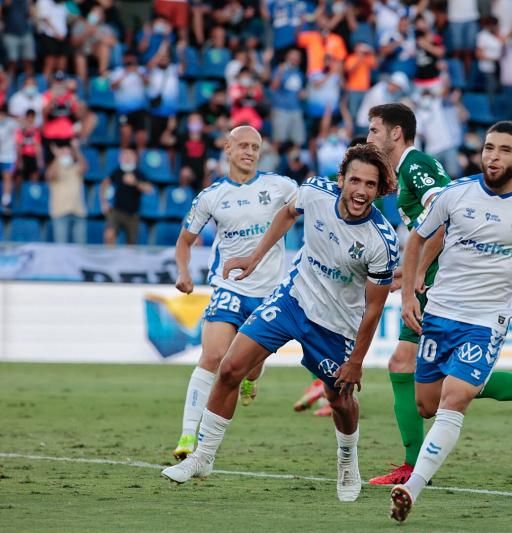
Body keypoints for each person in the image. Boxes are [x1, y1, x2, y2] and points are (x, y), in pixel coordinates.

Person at [365, 104, 512, 488]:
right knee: (431, 393)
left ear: (395, 133)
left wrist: (421, 272)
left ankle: (412, 467)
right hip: (439, 284)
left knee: (403, 366)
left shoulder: (414, 165)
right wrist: (411, 273)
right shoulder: (414, 173)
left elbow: (436, 226)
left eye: (374, 130)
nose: (369, 137)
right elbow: (431, 224)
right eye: (488, 148)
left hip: (452, 284)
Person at [161, 144, 399, 504]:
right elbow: (288, 214)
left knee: (340, 399)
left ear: (379, 189)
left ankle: (348, 460)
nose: (361, 191)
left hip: (336, 325)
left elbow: (373, 309)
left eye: (370, 184)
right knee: (230, 369)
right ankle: (203, 457)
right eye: (355, 181)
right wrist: (255, 259)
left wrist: (356, 362)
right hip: (292, 301)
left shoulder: (381, 240)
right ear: (341, 180)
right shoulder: (316, 192)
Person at [170, 126, 298, 460]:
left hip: (270, 294)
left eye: (255, 147)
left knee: (249, 369)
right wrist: (183, 272)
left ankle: (251, 379)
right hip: (229, 286)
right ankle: (187, 435)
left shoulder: (281, 186)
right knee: (212, 356)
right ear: (227, 149)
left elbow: (313, 209)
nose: (249, 152)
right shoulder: (211, 197)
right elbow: (184, 241)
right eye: (242, 145)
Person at [100, 148, 152, 245]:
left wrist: (135, 183)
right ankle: (111, 258)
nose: (127, 158)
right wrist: (104, 203)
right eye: (125, 156)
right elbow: (104, 184)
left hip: (133, 214)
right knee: (109, 235)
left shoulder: (139, 173)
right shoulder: (117, 171)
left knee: (131, 245)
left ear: (135, 158)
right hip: (117, 212)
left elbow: (149, 189)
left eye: (130, 156)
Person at [45, 140, 88, 244]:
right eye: (63, 152)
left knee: (80, 248)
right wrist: (57, 156)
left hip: (78, 212)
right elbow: (49, 176)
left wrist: (76, 150)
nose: (65, 154)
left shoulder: (76, 168)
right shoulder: (54, 168)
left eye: (67, 152)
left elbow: (85, 167)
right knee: (61, 249)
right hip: (60, 212)